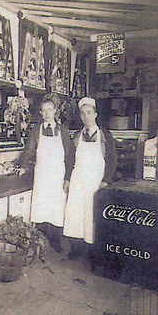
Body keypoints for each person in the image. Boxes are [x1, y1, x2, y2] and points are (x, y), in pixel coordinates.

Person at [17, 93, 74, 253]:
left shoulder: (63, 131)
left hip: (57, 176)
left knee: (57, 208)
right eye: (44, 110)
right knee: (41, 208)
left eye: (50, 109)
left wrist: (67, 178)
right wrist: (22, 165)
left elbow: (69, 156)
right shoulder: (37, 130)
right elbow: (28, 150)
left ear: (55, 111)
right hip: (42, 176)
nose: (47, 113)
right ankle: (40, 242)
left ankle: (56, 241)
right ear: (41, 113)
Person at [63, 97, 117, 260]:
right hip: (78, 179)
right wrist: (67, 179)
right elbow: (70, 159)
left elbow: (112, 159)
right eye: (82, 114)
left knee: (93, 215)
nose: (86, 116)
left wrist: (106, 180)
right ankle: (76, 248)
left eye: (89, 113)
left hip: (96, 181)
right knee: (75, 214)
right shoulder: (77, 136)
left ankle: (94, 250)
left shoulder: (104, 135)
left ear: (95, 114)